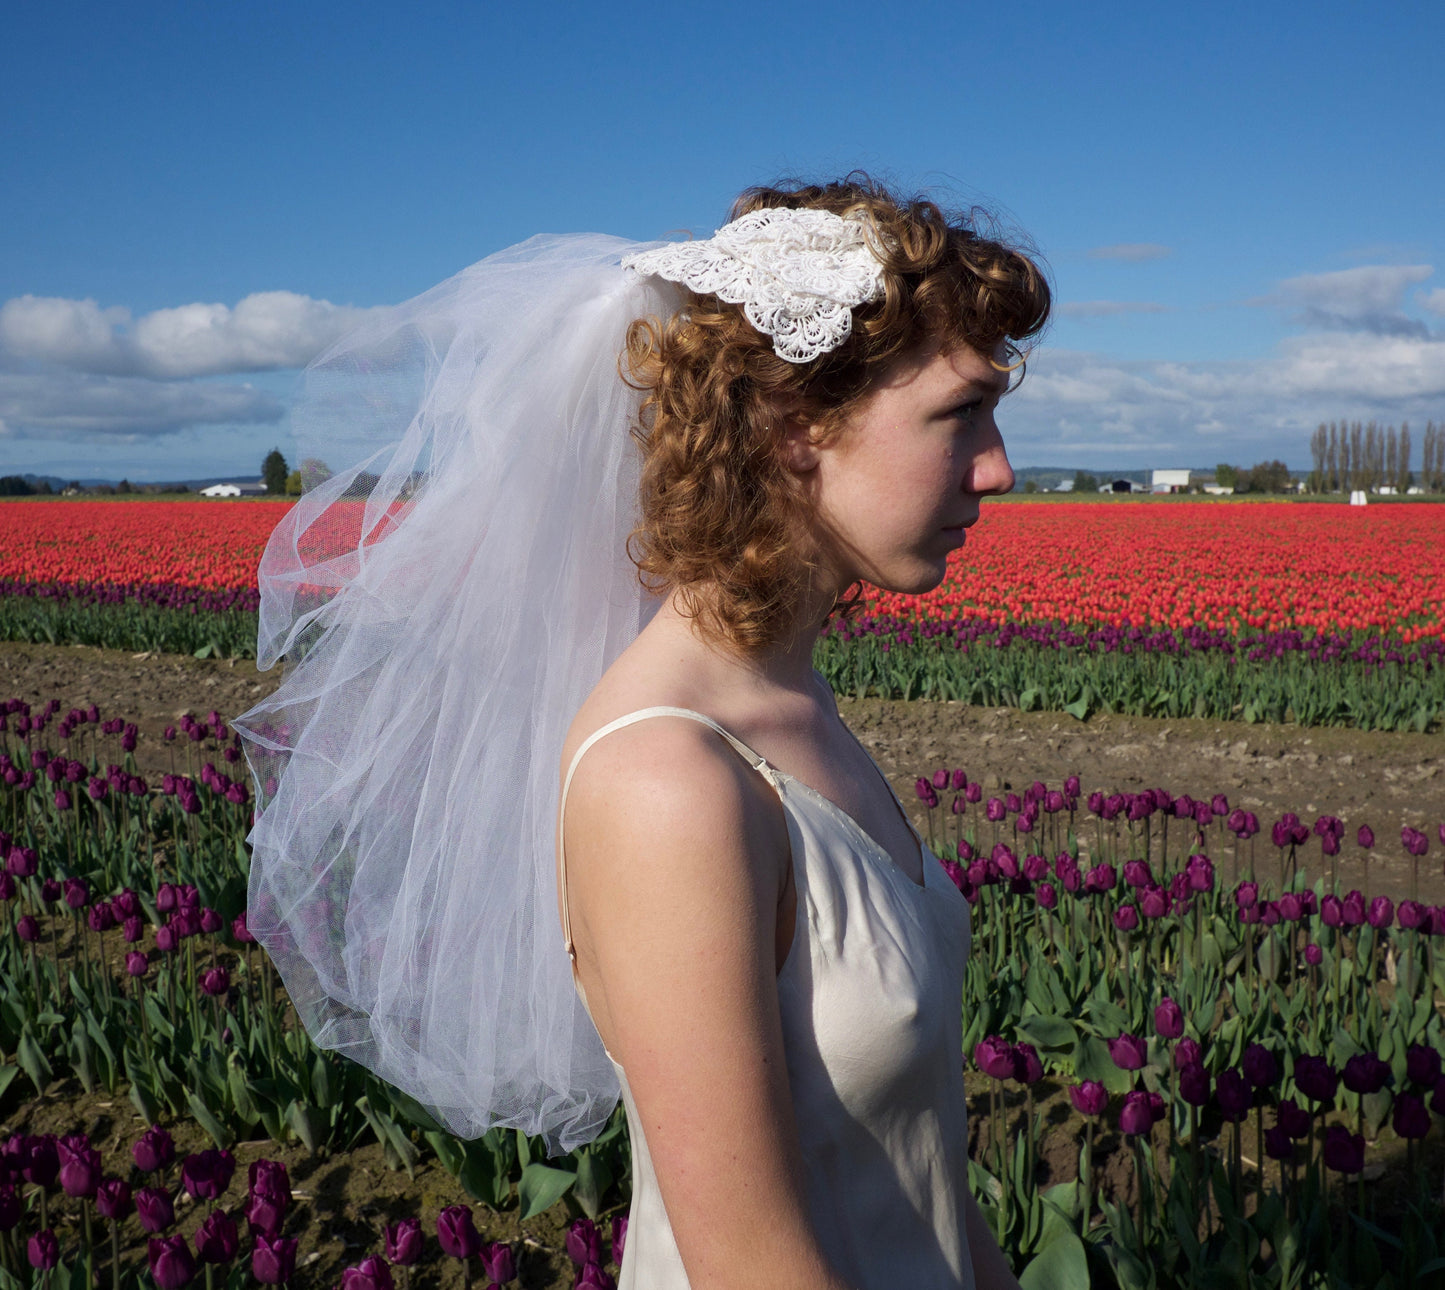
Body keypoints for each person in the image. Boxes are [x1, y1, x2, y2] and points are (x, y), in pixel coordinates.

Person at [235, 175, 1048, 1290]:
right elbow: (749, 1265)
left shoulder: (790, 705)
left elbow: (931, 1198)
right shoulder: (668, 778)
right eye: (959, 414)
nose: (998, 468)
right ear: (794, 428)